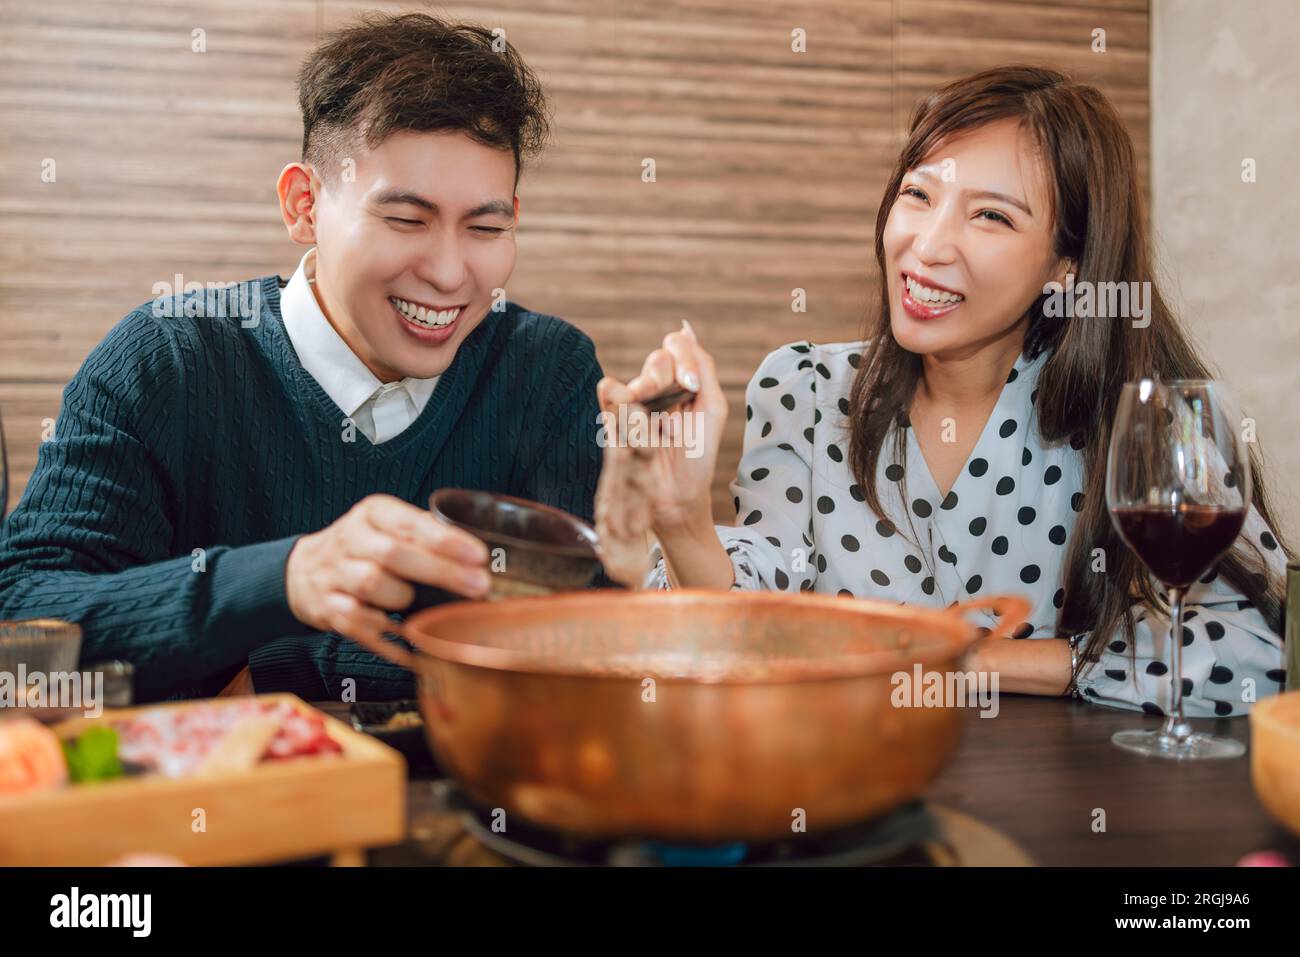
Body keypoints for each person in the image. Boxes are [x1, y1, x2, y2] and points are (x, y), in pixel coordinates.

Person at [595, 66, 1291, 716]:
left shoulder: (1137, 414)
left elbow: (1252, 653)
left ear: (1067, 267)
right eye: (917, 195)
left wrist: (977, 662)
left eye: (990, 216)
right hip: (847, 795)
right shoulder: (804, 387)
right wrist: (682, 517)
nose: (928, 245)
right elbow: (746, 634)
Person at [0, 13, 602, 702]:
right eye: (406, 219)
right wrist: (284, 578)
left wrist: (276, 666)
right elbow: (23, 621)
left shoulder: (548, 371)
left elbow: (583, 645)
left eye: (486, 227)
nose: (447, 272)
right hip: (221, 803)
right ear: (304, 205)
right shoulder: (166, 363)